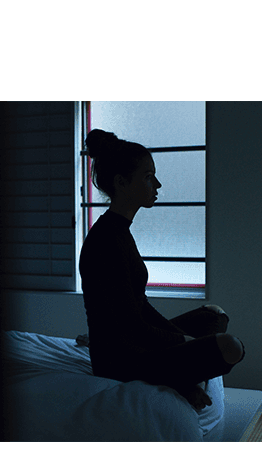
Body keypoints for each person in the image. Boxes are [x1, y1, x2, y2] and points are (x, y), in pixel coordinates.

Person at [81, 129, 246, 410]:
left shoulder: (119, 231)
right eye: (148, 177)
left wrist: (179, 337)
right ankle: (181, 380)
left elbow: (141, 307)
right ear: (122, 183)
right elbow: (131, 326)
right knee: (230, 347)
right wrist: (181, 340)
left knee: (213, 314)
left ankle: (182, 372)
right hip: (120, 359)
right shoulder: (106, 241)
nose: (157, 184)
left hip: (136, 342)